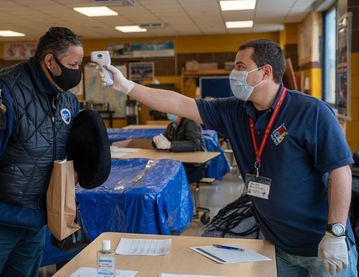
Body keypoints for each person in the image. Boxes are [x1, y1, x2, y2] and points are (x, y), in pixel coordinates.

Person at [98, 39, 358, 276]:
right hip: (276, 244)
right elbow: (180, 104)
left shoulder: (311, 111)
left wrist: (335, 232)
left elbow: (340, 171)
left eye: (240, 66)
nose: (233, 74)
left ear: (265, 72)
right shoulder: (235, 110)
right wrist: (127, 86)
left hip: (322, 244)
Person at [0, 27, 83, 276]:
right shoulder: (2, 93)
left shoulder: (67, 100)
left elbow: (64, 154)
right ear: (50, 61)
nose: (77, 72)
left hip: (33, 221)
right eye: (73, 64)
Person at [153, 113, 206, 182]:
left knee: (167, 178)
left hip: (193, 166)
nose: (168, 114)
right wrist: (156, 141)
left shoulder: (191, 123)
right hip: (179, 163)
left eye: (170, 111)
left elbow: (195, 145)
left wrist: (170, 145)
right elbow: (164, 140)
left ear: (178, 112)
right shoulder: (171, 126)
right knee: (157, 172)